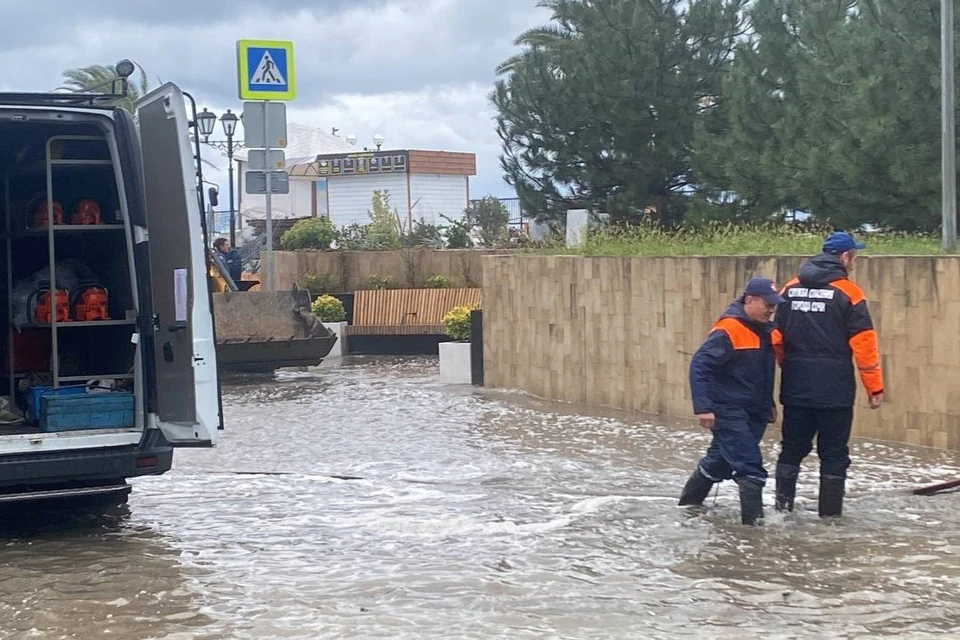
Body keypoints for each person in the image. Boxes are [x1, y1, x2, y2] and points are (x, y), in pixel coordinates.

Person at [774, 231, 884, 518]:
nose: (854, 263)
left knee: (791, 451)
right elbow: (864, 345)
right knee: (833, 456)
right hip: (834, 392)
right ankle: (830, 522)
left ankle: (781, 512)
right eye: (854, 257)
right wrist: (874, 388)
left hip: (796, 387)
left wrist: (789, 366)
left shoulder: (789, 289)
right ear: (844, 257)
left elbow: (776, 337)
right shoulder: (849, 293)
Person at [679, 277, 785, 525]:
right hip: (728, 410)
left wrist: (768, 405)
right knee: (751, 468)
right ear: (749, 300)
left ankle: (687, 507)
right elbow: (700, 366)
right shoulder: (728, 330)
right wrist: (703, 407)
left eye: (774, 305)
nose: (771, 310)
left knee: (719, 463)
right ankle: (753, 532)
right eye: (767, 304)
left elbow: (760, 374)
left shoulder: (765, 330)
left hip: (754, 410)